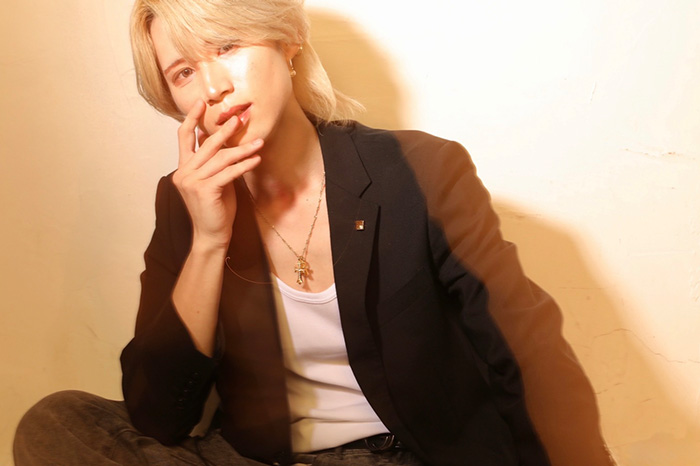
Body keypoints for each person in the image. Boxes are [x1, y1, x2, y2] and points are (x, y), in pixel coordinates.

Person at [14, 0, 615, 465]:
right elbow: (157, 415)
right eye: (184, 72)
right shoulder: (185, 201)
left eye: (227, 46)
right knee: (56, 422)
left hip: (405, 453)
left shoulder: (421, 171)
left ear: (288, 41)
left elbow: (529, 354)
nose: (214, 86)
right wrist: (208, 241)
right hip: (261, 456)